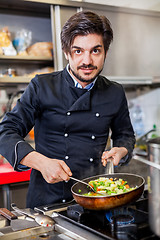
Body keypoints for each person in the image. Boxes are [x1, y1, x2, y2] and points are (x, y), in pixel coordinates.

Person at [0, 11, 135, 209]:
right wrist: (40, 162)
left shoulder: (114, 92)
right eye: (78, 51)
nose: (87, 61)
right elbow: (5, 132)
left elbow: (125, 134)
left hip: (95, 198)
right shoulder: (42, 86)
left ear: (105, 51)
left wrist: (121, 150)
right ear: (66, 53)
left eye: (95, 51)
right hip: (47, 203)